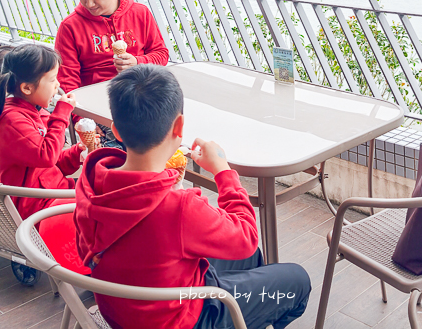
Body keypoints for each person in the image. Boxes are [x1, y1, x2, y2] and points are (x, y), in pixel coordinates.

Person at [72, 64, 311, 329]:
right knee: (297, 281)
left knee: (250, 256)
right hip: (180, 318)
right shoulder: (179, 207)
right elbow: (246, 235)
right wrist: (223, 170)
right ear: (180, 126)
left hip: (124, 309)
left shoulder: (92, 180)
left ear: (115, 130)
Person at [0, 43, 88, 273]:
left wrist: (77, 151)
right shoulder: (13, 121)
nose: (58, 85)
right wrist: (61, 113)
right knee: (105, 206)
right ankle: (102, 273)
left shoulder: (31, 112)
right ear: (27, 88)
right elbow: (47, 156)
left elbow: (55, 162)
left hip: (54, 194)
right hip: (38, 206)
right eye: (52, 79)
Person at [54, 0, 170, 95]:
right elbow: (67, 80)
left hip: (141, 94)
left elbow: (161, 54)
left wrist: (138, 62)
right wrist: (79, 115)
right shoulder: (70, 26)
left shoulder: (140, 13)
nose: (89, 3)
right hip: (97, 97)